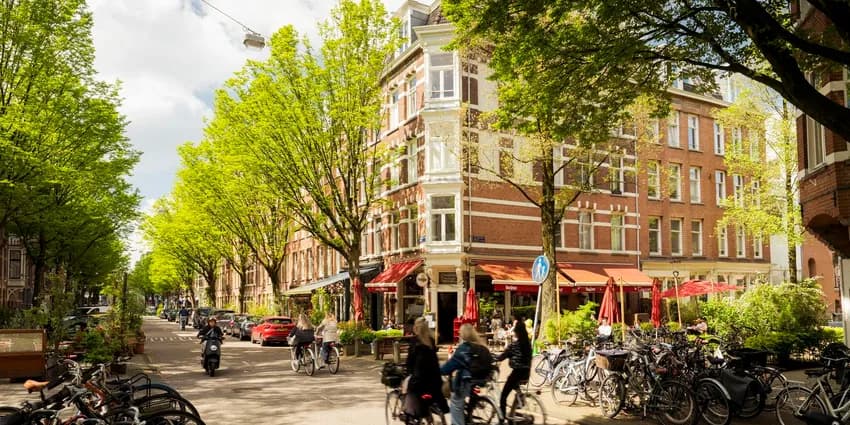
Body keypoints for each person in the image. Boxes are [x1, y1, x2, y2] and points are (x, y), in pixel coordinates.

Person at [441, 323, 486, 425]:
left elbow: (450, 365)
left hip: (467, 381)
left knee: (456, 402)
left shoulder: (464, 348)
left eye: (460, 333)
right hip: (481, 379)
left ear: (463, 335)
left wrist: (439, 370)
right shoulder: (481, 346)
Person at [405, 317, 448, 418]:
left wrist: (408, 373)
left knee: (408, 390)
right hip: (434, 380)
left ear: (416, 328)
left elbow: (410, 361)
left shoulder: (415, 341)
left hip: (419, 381)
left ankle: (411, 414)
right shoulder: (431, 341)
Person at [495, 319, 532, 418]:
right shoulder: (528, 344)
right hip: (526, 372)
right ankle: (520, 400)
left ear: (517, 332)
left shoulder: (514, 345)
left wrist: (493, 358)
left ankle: (502, 418)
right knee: (513, 383)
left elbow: (502, 356)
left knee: (503, 396)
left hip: (517, 372)